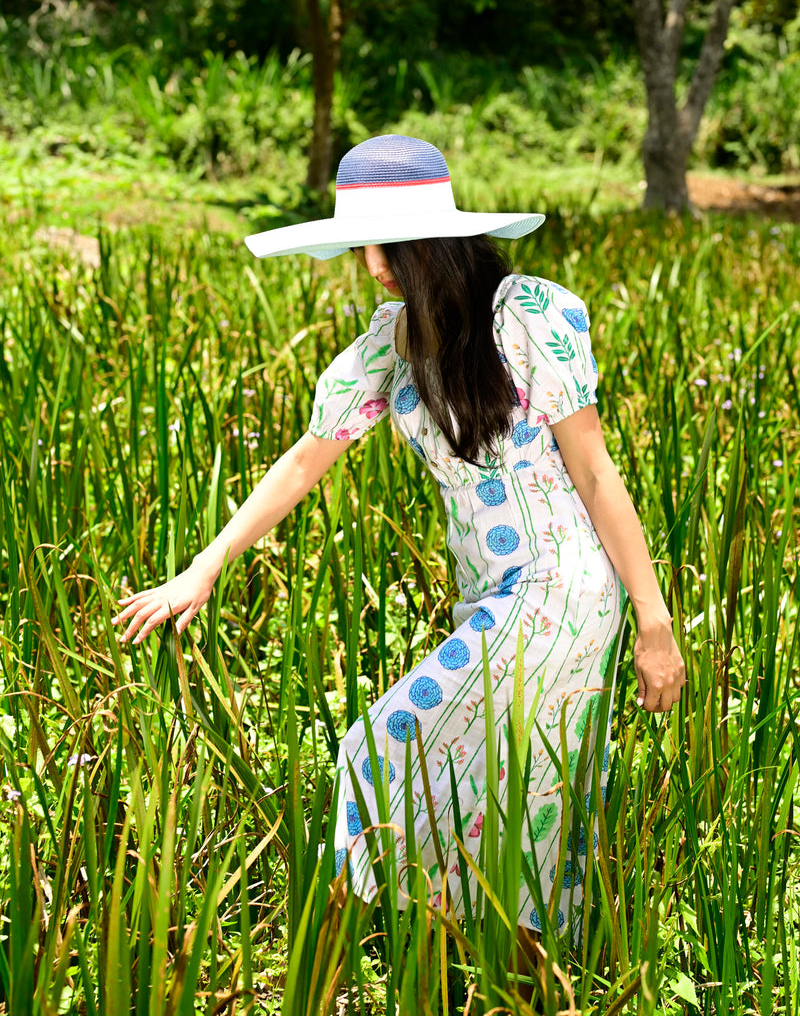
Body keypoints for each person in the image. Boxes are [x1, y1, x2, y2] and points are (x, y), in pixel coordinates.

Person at [112, 134, 686, 969]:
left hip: (566, 591)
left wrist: (654, 618)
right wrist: (206, 565)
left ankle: (331, 968)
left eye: (388, 245)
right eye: (364, 245)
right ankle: (506, 974)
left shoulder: (530, 313)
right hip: (492, 594)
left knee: (382, 745)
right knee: (520, 795)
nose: (373, 264)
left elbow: (596, 472)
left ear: (435, 245)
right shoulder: (395, 340)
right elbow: (308, 456)